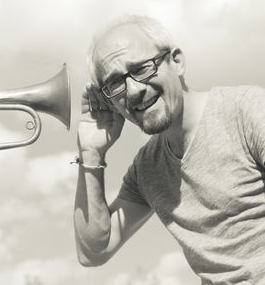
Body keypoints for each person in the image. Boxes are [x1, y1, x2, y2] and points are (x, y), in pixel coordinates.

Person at [73, 15, 265, 284]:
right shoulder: (147, 169)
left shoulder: (248, 111)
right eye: (115, 83)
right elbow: (94, 251)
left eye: (141, 69)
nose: (132, 91)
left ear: (176, 61)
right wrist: (91, 153)